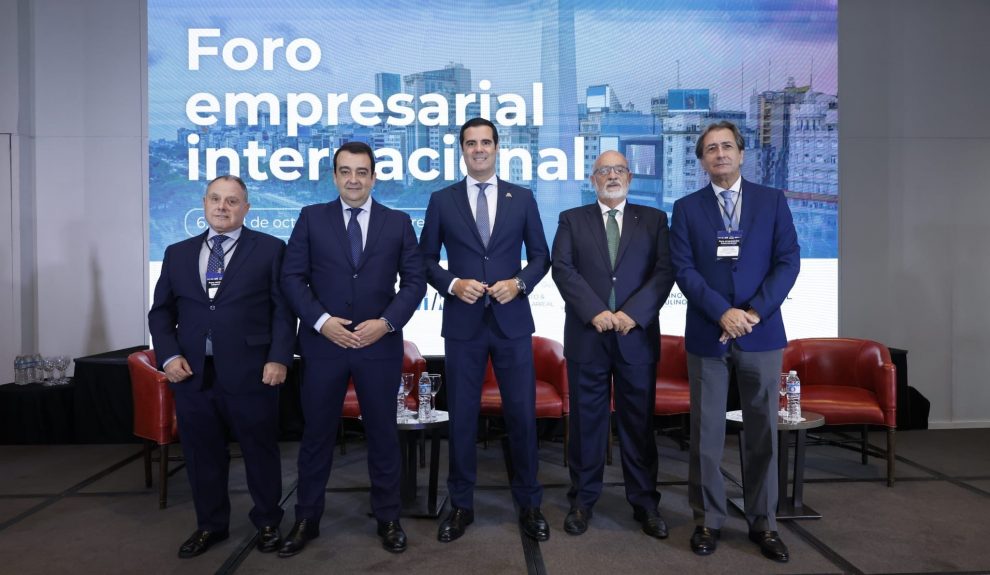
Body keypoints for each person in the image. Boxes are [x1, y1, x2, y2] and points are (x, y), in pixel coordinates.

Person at [277, 141, 425, 556]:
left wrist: (387, 322)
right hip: (325, 346)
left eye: (362, 172)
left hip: (379, 346)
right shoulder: (311, 218)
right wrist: (322, 323)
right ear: (335, 176)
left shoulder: (397, 222)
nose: (354, 179)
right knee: (317, 436)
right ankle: (307, 518)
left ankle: (388, 518)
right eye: (345, 171)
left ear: (374, 176)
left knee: (382, 435)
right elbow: (292, 278)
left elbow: (414, 282)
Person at [669, 121, 800, 562]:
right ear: (702, 160)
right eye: (710, 149)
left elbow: (787, 262)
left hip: (761, 333)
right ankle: (707, 519)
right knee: (706, 432)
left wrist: (752, 313)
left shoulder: (772, 201)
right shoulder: (686, 208)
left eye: (727, 146)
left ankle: (764, 523)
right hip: (708, 332)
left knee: (762, 430)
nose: (719, 154)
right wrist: (721, 312)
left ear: (742, 154)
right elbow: (683, 270)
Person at [148, 175, 295, 558]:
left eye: (232, 201)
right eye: (215, 199)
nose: (222, 207)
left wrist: (279, 357)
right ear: (204, 202)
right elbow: (161, 313)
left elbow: (284, 311)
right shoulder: (177, 252)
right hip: (192, 373)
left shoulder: (270, 249)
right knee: (202, 455)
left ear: (246, 208)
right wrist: (168, 355)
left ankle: (267, 522)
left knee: (260, 452)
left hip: (253, 371)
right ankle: (210, 526)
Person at [419, 117, 551, 542]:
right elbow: (424, 260)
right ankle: (461, 506)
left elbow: (541, 256)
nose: (478, 149)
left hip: (512, 323)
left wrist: (520, 283)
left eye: (485, 142)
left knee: (522, 416)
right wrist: (454, 284)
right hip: (463, 323)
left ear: (497, 148)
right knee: (461, 417)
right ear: (462, 149)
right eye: (471, 143)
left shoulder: (522, 198)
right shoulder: (441, 200)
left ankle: (530, 505)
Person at [551, 150, 675, 538]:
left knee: (637, 425)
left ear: (630, 177)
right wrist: (595, 312)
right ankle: (583, 501)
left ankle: (645, 503)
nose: (611, 176)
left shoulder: (654, 220)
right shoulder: (572, 219)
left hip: (635, 337)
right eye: (603, 171)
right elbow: (562, 268)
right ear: (593, 180)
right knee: (588, 426)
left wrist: (632, 314)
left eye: (618, 170)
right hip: (588, 337)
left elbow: (664, 271)